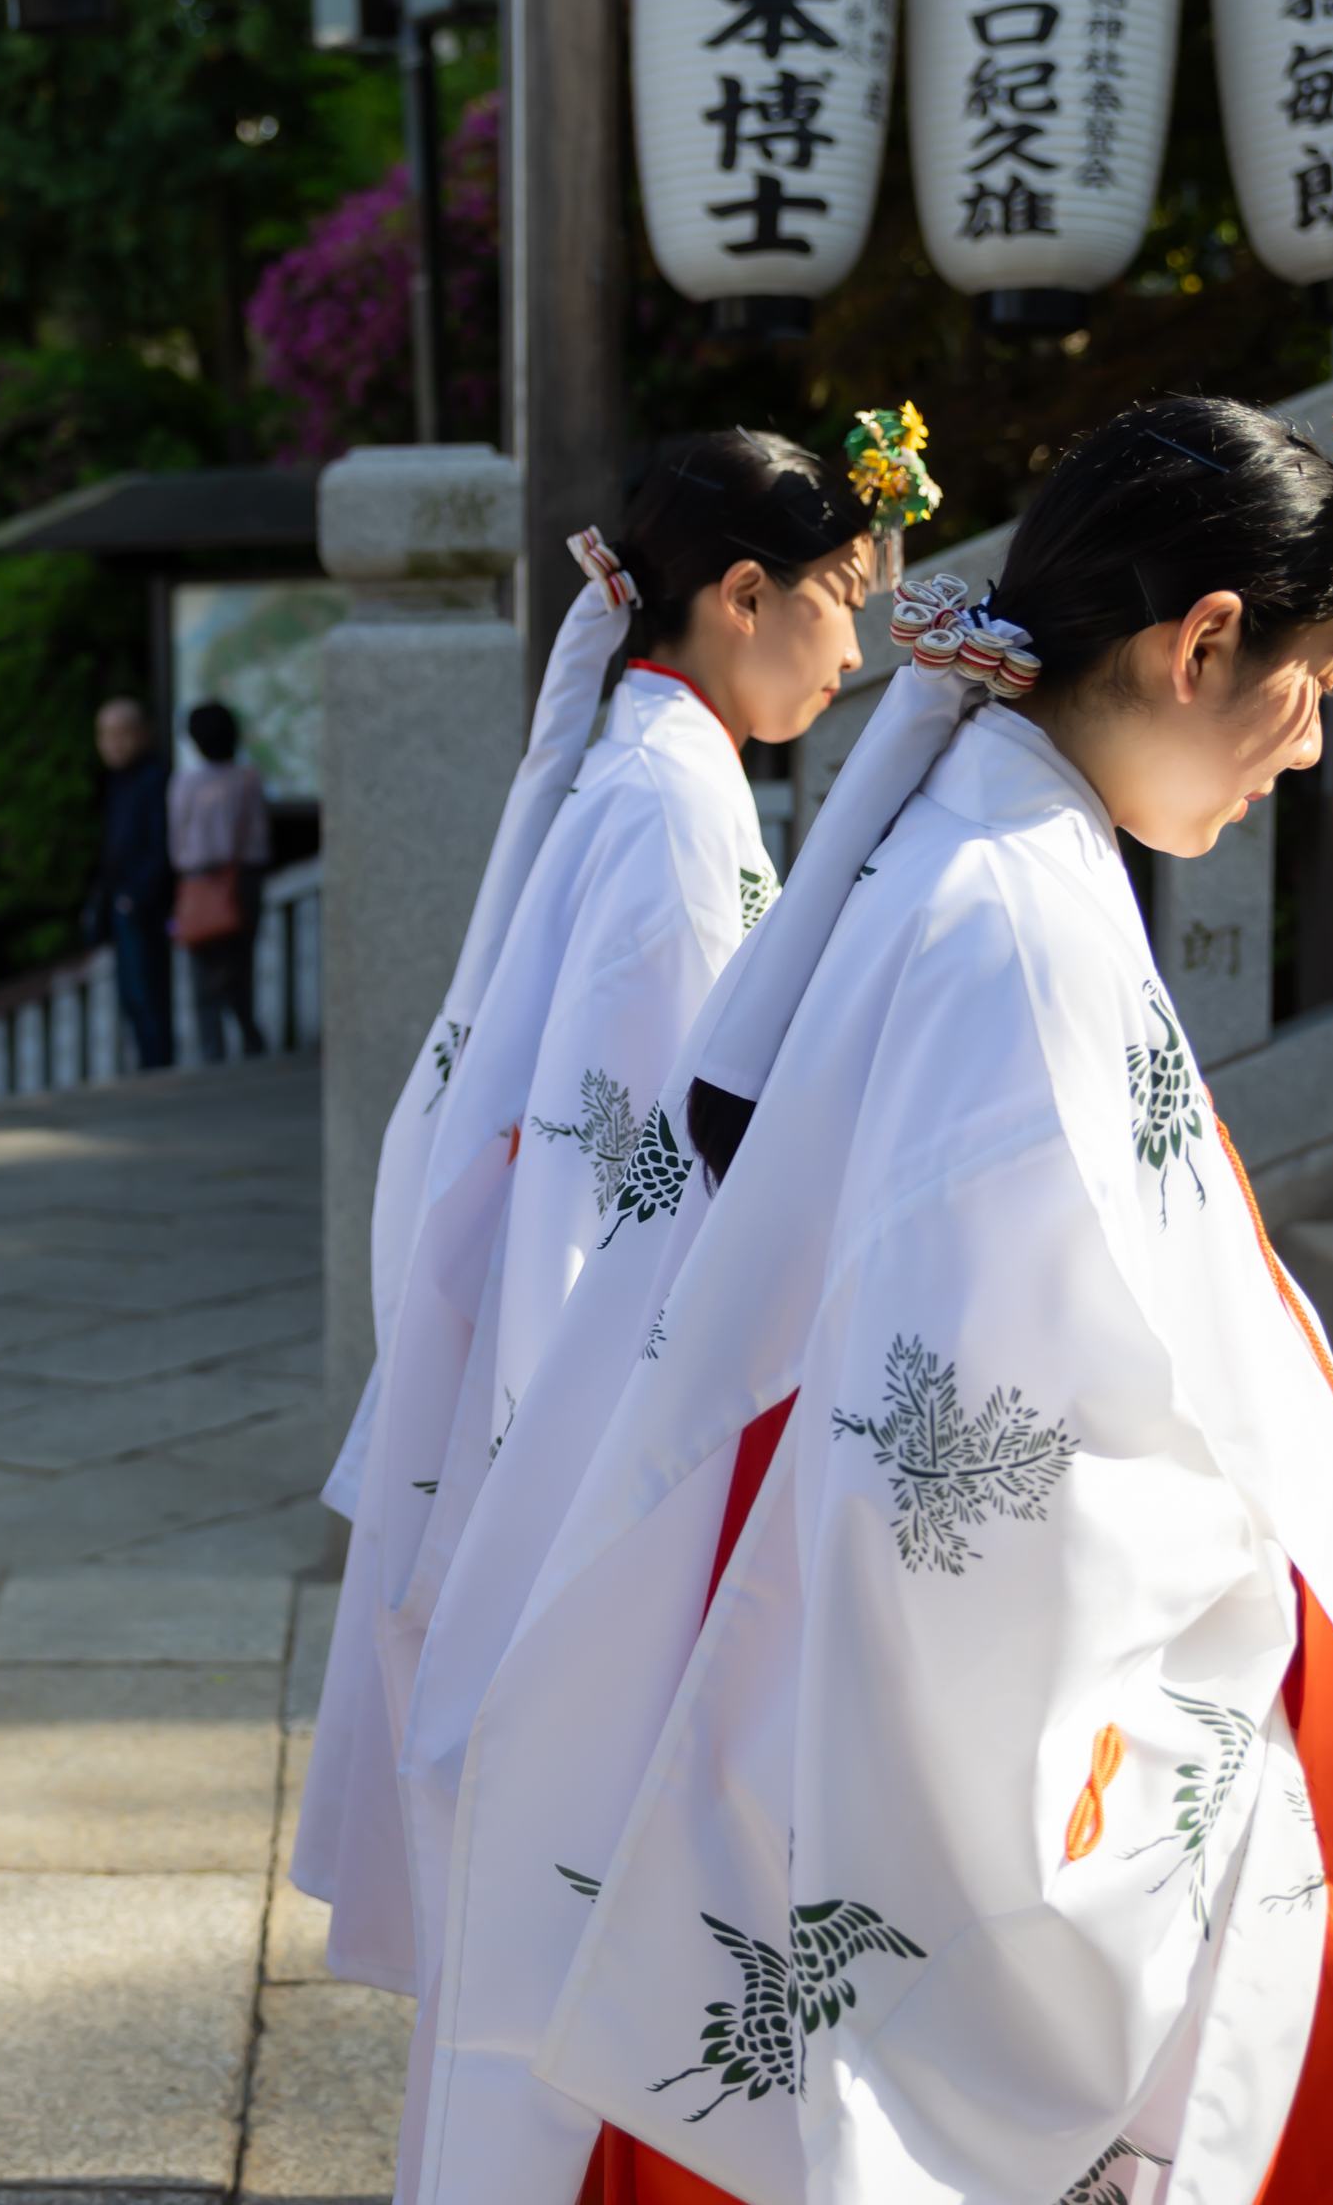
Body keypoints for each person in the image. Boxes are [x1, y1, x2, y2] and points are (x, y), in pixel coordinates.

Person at [418, 395, 1333, 2205]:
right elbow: (954, 1482)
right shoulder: (1008, 914)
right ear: (1203, 641)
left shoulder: (991, 832)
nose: (1308, 748)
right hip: (1012, 1751)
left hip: (933, 1671)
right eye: (1319, 686)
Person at [296, 423, 894, 2032]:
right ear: (744, 592)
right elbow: (629, 1177)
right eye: (839, 595)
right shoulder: (671, 803)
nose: (857, 639)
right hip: (602, 1365)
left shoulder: (649, 758)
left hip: (562, 1343)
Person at [166, 700, 272, 1063]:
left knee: (204, 978)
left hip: (200, 884)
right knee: (241, 968)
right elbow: (259, 837)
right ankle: (251, 1041)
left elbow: (177, 843)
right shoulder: (248, 778)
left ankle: (213, 1052)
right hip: (243, 880)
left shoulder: (186, 783)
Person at [91, 695, 175, 1069]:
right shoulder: (117, 782)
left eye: (123, 733)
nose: (114, 743)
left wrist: (137, 896)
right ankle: (148, 1067)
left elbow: (162, 845)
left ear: (144, 733)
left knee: (149, 994)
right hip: (123, 901)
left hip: (143, 904)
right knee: (132, 997)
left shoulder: (154, 779)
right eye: (106, 735)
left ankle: (158, 1070)